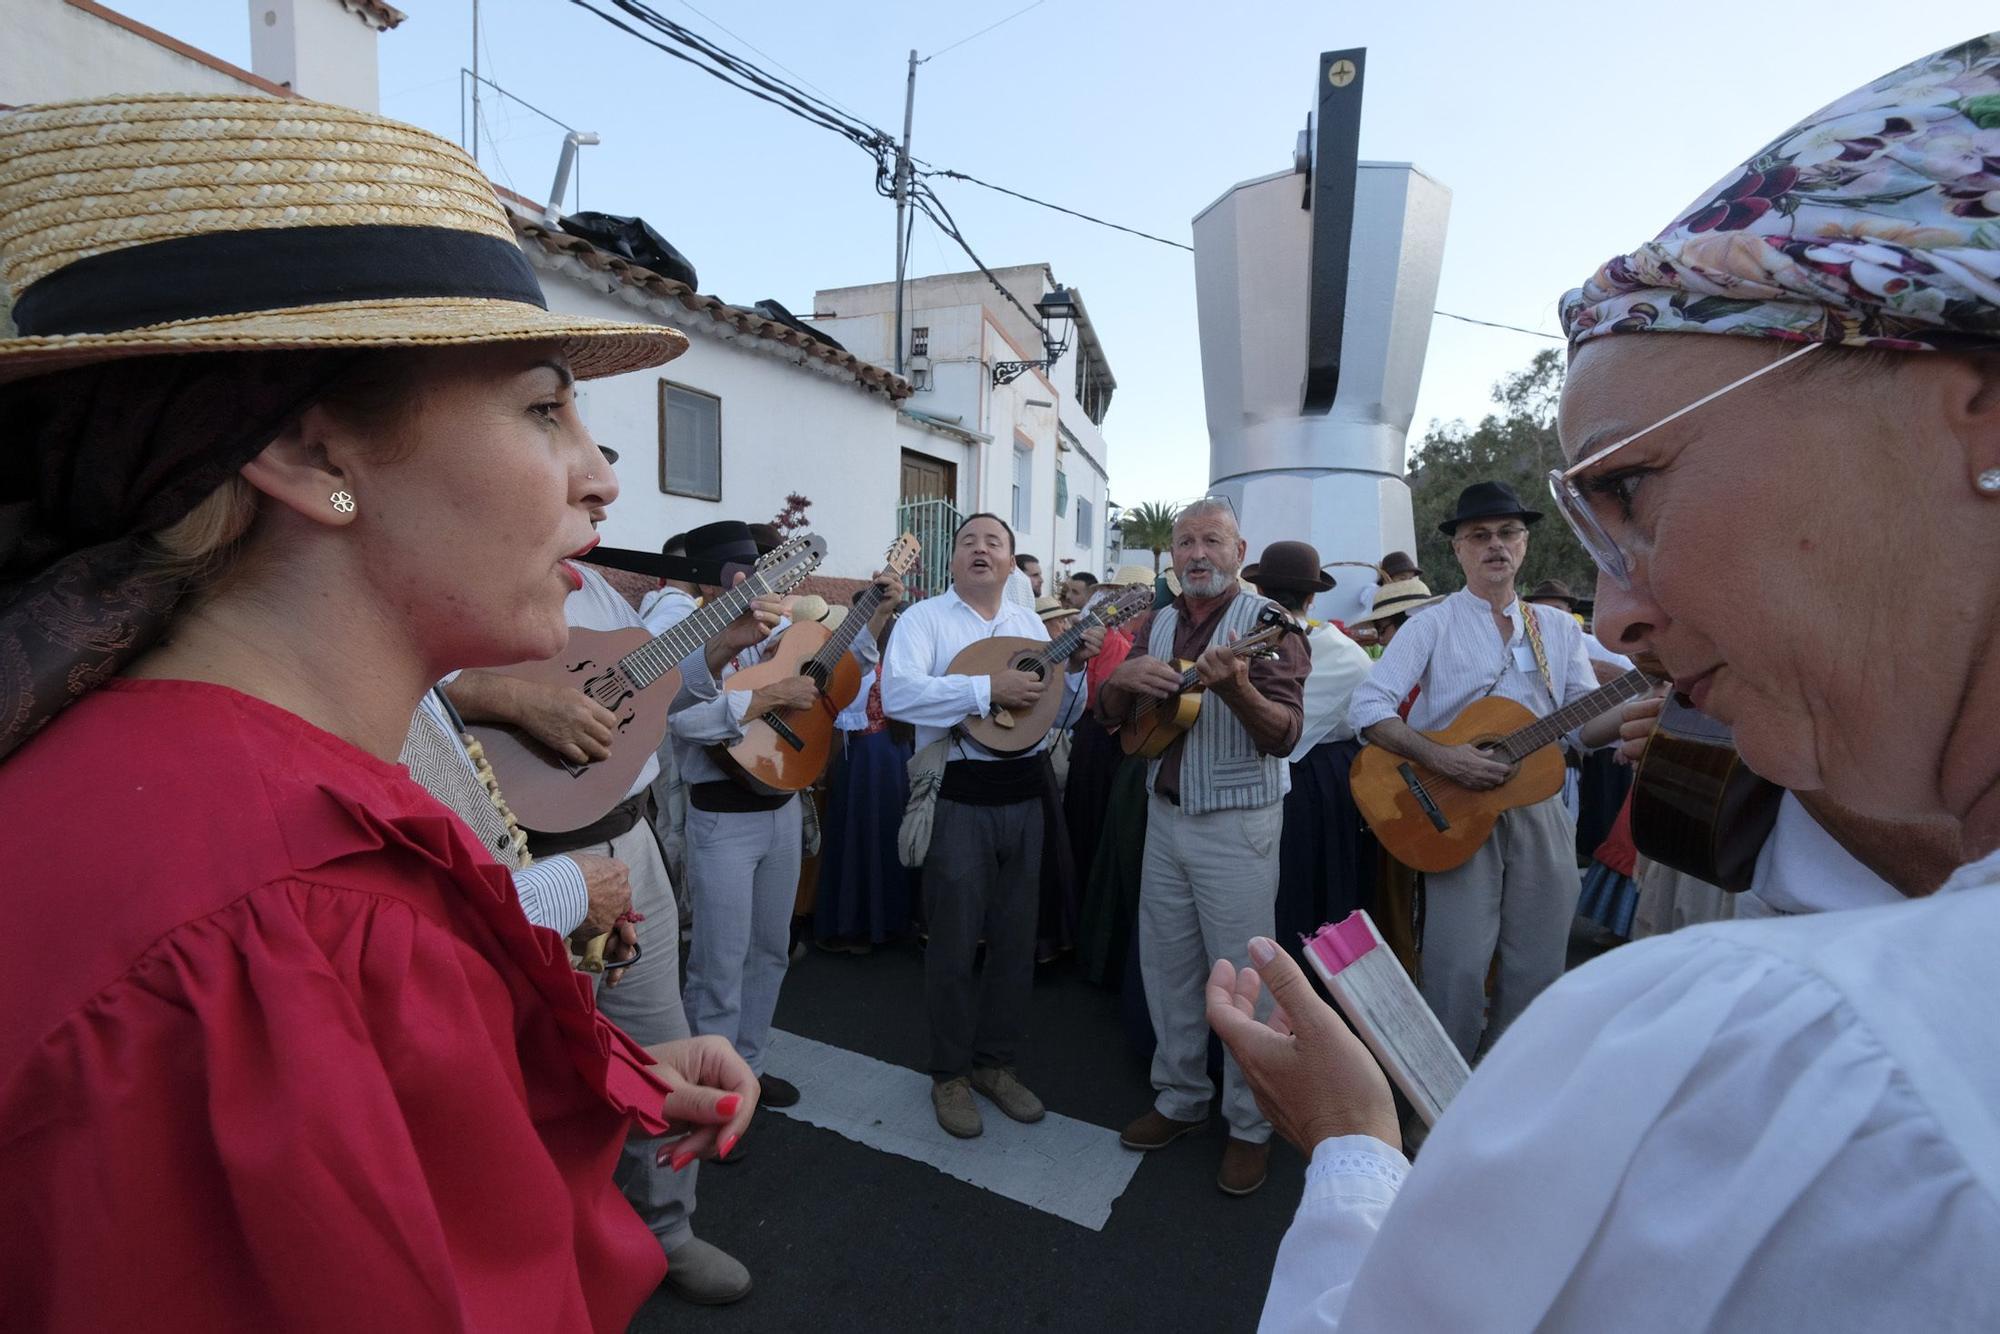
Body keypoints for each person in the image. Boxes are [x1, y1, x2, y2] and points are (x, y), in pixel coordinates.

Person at [1214, 35, 2000, 1331]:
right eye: (1568, 524)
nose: (1622, 609)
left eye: (1631, 484)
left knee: (1532, 972)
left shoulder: (1774, 1050)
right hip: (1465, 812)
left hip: (1535, 821)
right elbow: (1377, 718)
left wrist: (1357, 1145)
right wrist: (1441, 758)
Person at [0, 94, 755, 1332]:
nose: (600, 474)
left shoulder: (190, 780)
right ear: (311, 457)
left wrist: (593, 1076)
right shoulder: (277, 919)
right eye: (541, 408)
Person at [441, 505, 758, 1307]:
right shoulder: (455, 577)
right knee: (530, 1070)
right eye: (548, 421)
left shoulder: (602, 597)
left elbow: (654, 696)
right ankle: (541, 1261)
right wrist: (515, 699)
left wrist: (719, 642)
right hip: (521, 857)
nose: (600, 492)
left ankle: (667, 1233)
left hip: (629, 839)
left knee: (658, 1036)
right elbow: (409, 682)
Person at [1346, 481, 1620, 1062]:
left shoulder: (1559, 630)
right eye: (1480, 535)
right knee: (1457, 963)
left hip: (1540, 807)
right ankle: (1438, 1099)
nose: (1495, 545)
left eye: (1508, 533)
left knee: (1539, 959)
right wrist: (1441, 757)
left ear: (1523, 544)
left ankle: (1507, 1083)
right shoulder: (1431, 624)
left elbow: (1584, 727)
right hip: (1452, 809)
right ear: (1459, 550)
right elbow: (1367, 709)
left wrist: (1643, 703)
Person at [1096, 499, 1310, 1197]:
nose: (1196, 553)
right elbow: (1117, 723)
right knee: (1169, 965)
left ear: (1239, 550)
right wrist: (1121, 683)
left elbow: (1284, 735)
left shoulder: (1270, 627)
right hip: (1167, 817)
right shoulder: (1160, 621)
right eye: (1185, 542)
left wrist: (1241, 690)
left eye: (1210, 540)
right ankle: (1182, 1097)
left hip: (1237, 824)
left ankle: (1251, 1127)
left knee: (1245, 980)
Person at [667, 521, 901, 1118]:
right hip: (721, 818)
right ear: (710, 587)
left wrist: (872, 613)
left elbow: (842, 669)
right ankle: (709, 1093)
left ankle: (750, 1066)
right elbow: (679, 724)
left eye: (758, 571)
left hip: (781, 808)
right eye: (737, 575)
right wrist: (767, 699)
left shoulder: (781, 630)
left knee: (771, 950)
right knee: (717, 962)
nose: (751, 583)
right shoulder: (677, 642)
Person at [880, 513, 1102, 1138]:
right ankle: (948, 1073)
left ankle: (995, 1064)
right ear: (951, 561)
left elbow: (1060, 712)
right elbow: (898, 695)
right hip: (958, 793)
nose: (981, 549)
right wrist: (986, 689)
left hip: (1024, 795)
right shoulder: (923, 620)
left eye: (994, 543)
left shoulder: (1030, 626)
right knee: (952, 940)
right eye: (968, 542)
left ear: (1010, 563)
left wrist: (1077, 670)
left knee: (1015, 939)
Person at [1244, 542, 1377, 952]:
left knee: (1268, 888)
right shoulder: (1348, 654)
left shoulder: (1245, 644)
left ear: (1261, 593)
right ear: (1312, 596)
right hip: (1324, 783)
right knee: (1317, 887)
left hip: (1276, 777)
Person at [816, 602, 916, 952]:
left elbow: (842, 712)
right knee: (882, 833)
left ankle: (856, 922)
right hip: (889, 752)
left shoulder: (862, 663)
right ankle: (884, 921)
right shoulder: (897, 660)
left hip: (865, 754)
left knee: (862, 834)